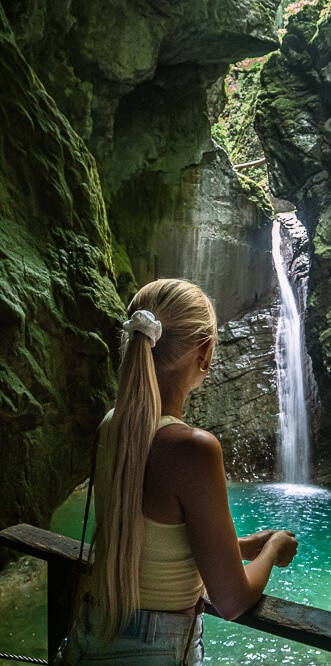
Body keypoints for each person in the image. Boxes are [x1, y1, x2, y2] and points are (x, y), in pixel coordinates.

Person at [59, 278, 298, 665]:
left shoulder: (111, 424)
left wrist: (241, 547)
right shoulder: (193, 449)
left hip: (90, 634)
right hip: (152, 651)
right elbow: (232, 599)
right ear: (203, 352)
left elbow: (147, 539)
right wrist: (271, 550)